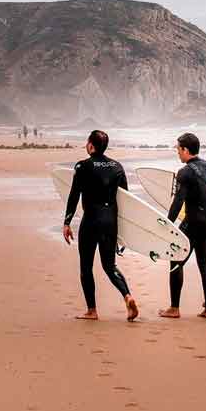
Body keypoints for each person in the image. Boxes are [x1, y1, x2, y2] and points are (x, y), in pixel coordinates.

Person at [63, 130, 139, 321]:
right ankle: (127, 296)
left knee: (86, 267)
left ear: (91, 145)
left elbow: (73, 196)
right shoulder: (117, 167)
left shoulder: (83, 166)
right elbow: (126, 202)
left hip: (91, 221)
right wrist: (123, 234)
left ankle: (92, 311)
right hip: (110, 222)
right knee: (110, 266)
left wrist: (67, 222)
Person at [159, 132, 206, 319]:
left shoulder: (184, 172)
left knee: (176, 262)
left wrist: (168, 224)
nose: (177, 152)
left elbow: (178, 201)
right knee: (205, 265)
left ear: (185, 149)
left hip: (192, 223)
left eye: (178, 149)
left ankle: (174, 308)